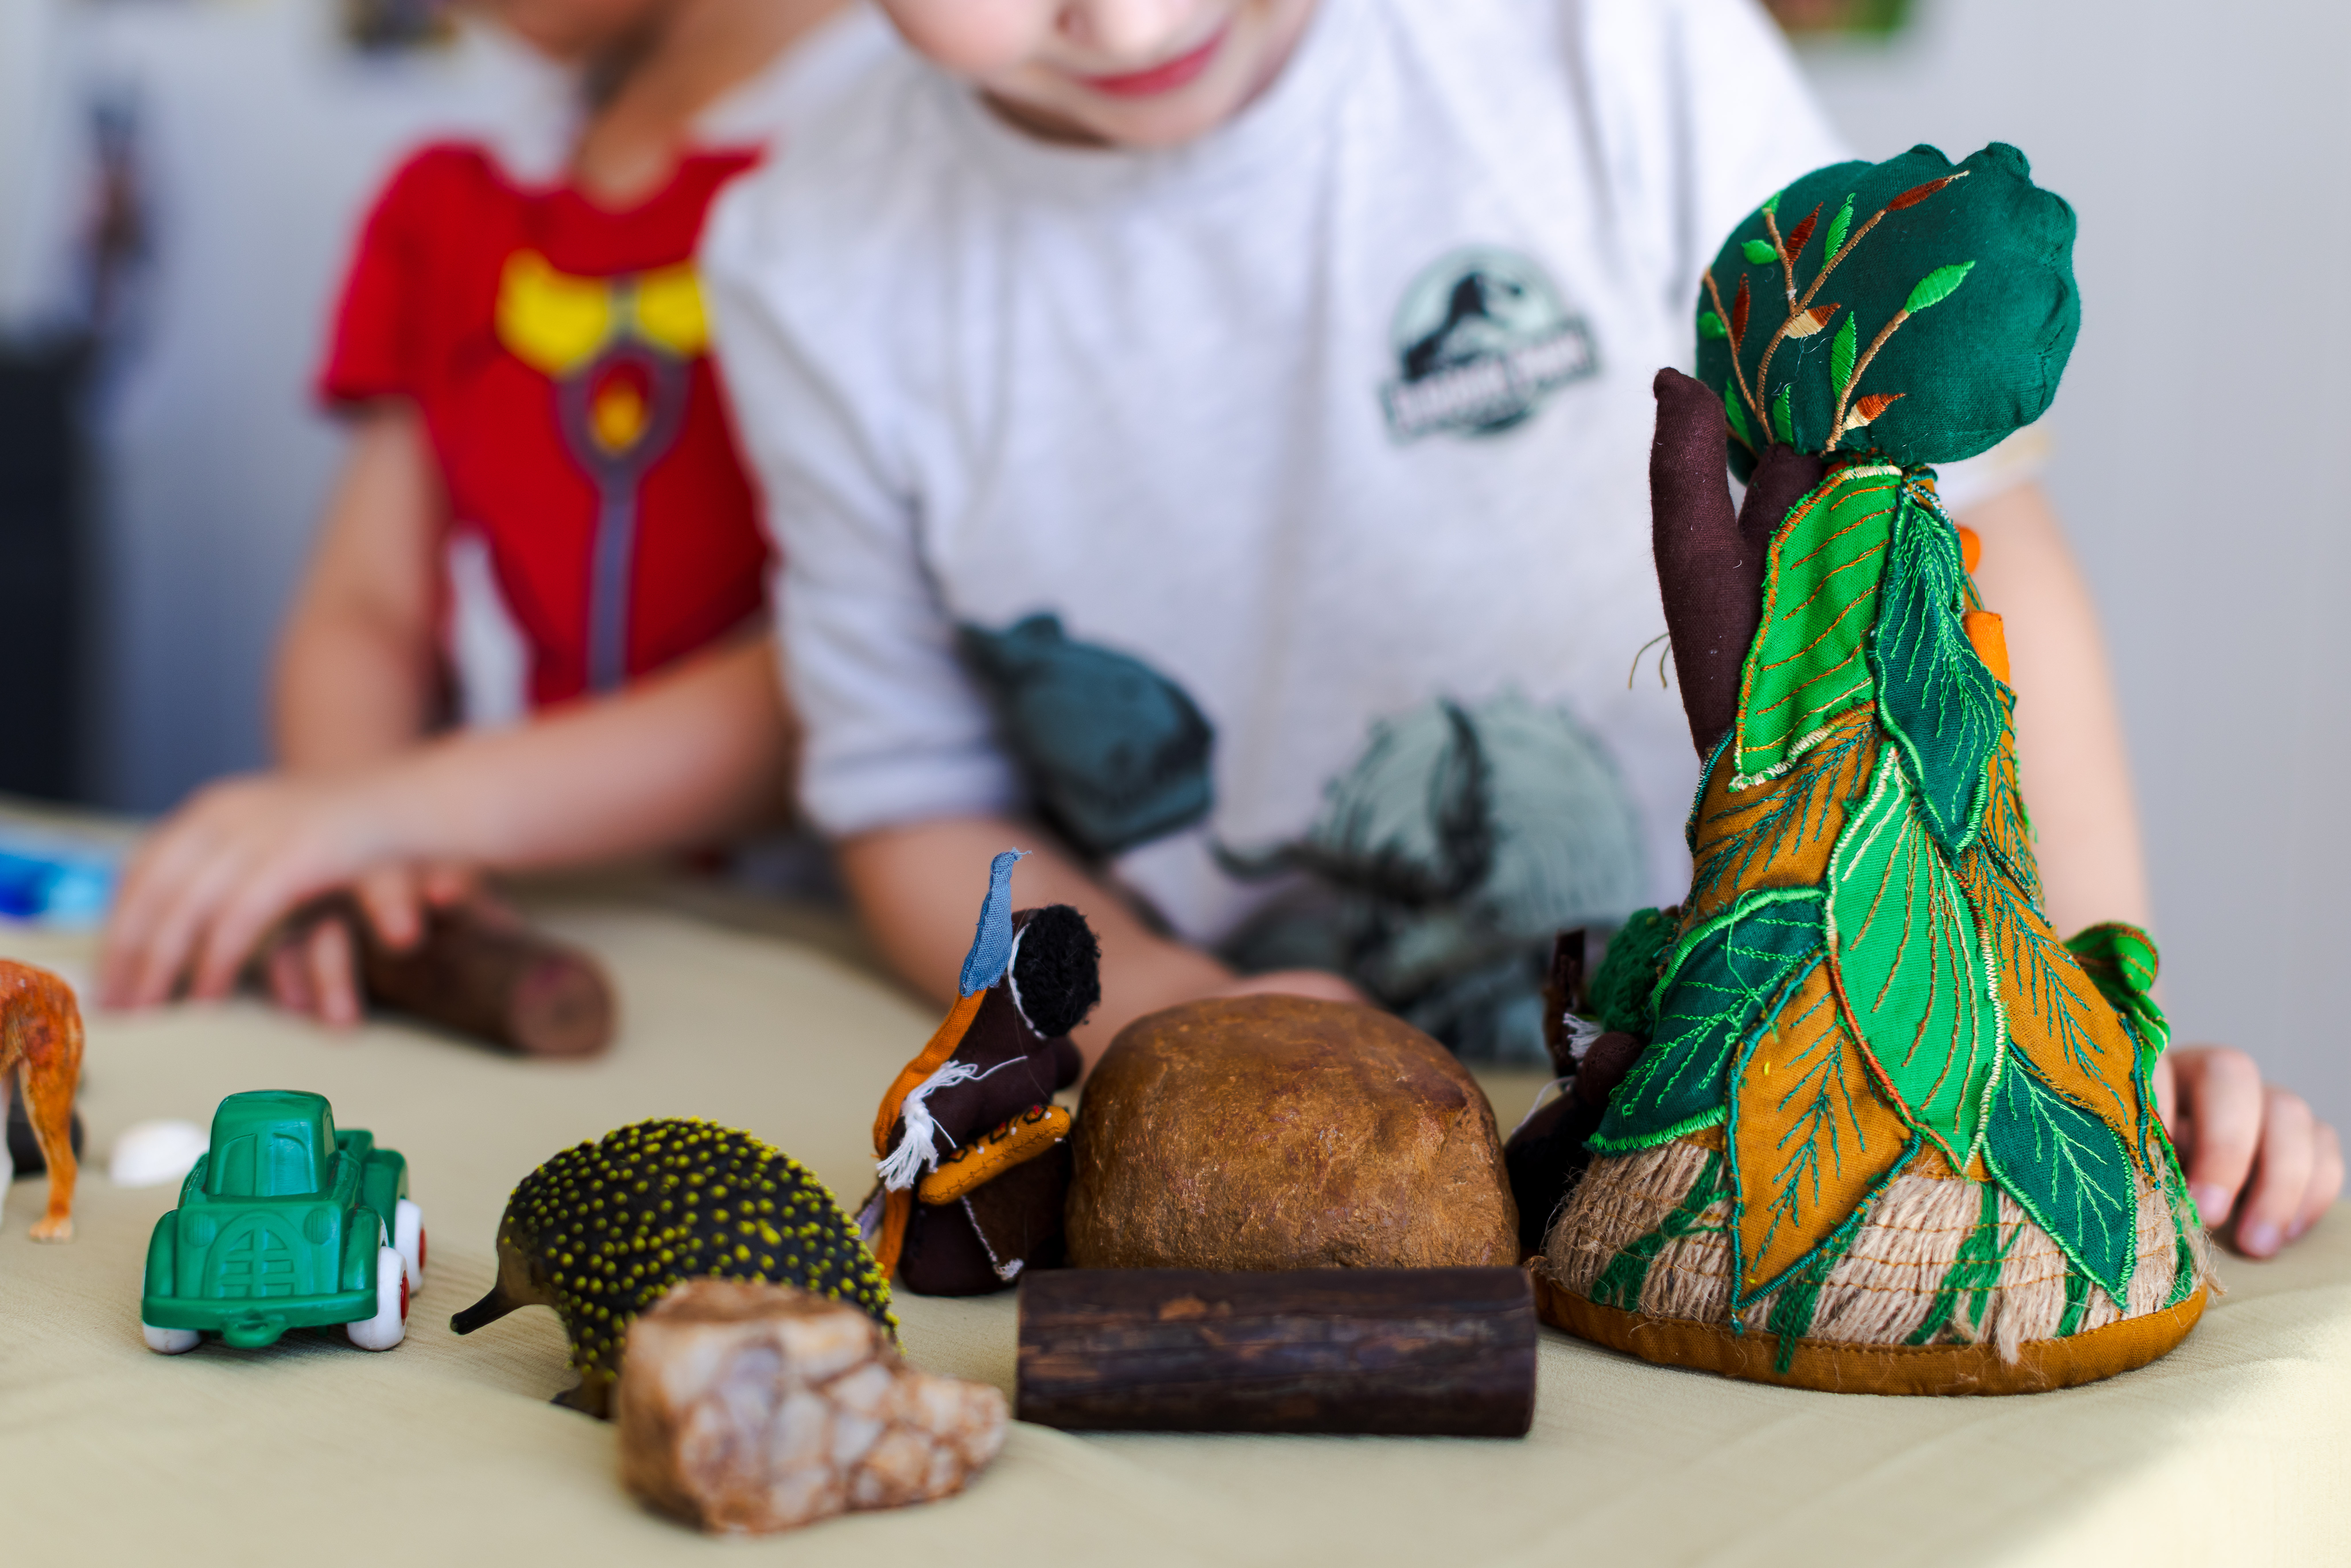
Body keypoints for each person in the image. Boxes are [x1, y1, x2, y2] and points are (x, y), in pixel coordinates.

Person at [698, 0, 2340, 1255]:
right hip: (1331, 1166)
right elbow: (913, 796)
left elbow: (1964, 527)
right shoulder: (808, 259)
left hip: (1822, 1065)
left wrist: (2075, 1011)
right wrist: (1180, 1007)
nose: (1126, 25)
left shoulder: (1609, 37)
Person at [97, 0, 889, 1024]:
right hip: (507, 928)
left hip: (816, 964)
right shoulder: (458, 198)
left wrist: (398, 809)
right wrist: (353, 834)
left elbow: (878, 676)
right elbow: (367, 607)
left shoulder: (905, 169)